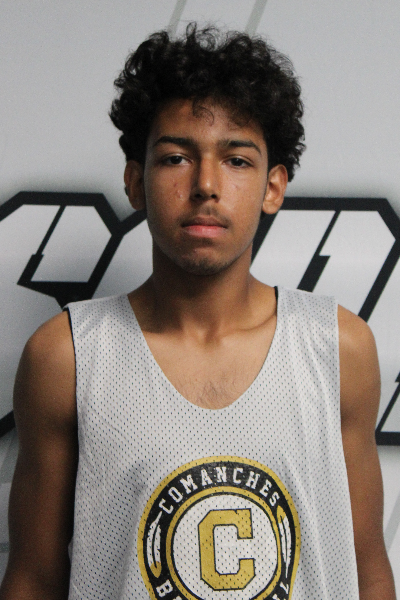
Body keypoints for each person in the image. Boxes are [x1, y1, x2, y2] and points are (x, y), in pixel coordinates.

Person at [0, 24, 396, 600]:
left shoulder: (338, 347)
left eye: (236, 160)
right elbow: (33, 579)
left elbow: (365, 565)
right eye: (176, 157)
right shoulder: (67, 357)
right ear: (135, 182)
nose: (206, 185)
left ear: (273, 187)